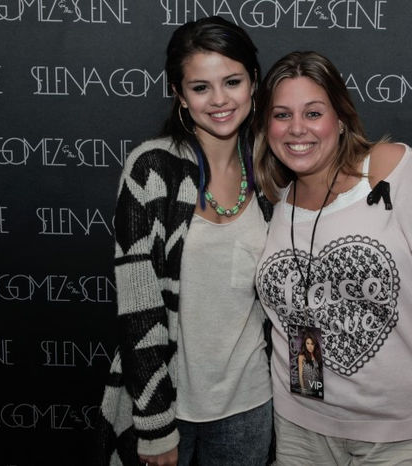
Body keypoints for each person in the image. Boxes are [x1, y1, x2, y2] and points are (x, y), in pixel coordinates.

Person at [253, 51, 412, 466]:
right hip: (299, 427)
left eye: (313, 112)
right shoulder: (275, 201)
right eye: (281, 114)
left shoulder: (391, 171)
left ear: (340, 119)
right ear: (266, 126)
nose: (297, 128)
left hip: (399, 436)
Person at [95, 17, 273, 466]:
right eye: (200, 87)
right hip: (167, 406)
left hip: (251, 404)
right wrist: (155, 426)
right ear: (179, 94)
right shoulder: (151, 169)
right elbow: (138, 307)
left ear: (253, 82)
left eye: (232, 81)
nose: (219, 100)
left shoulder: (274, 170)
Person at [296, 331, 323, 397]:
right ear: (305, 344)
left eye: (312, 344)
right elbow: (300, 374)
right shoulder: (301, 357)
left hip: (317, 387)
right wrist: (303, 389)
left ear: (315, 345)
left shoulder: (318, 356)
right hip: (307, 388)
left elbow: (320, 373)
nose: (309, 346)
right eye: (307, 343)